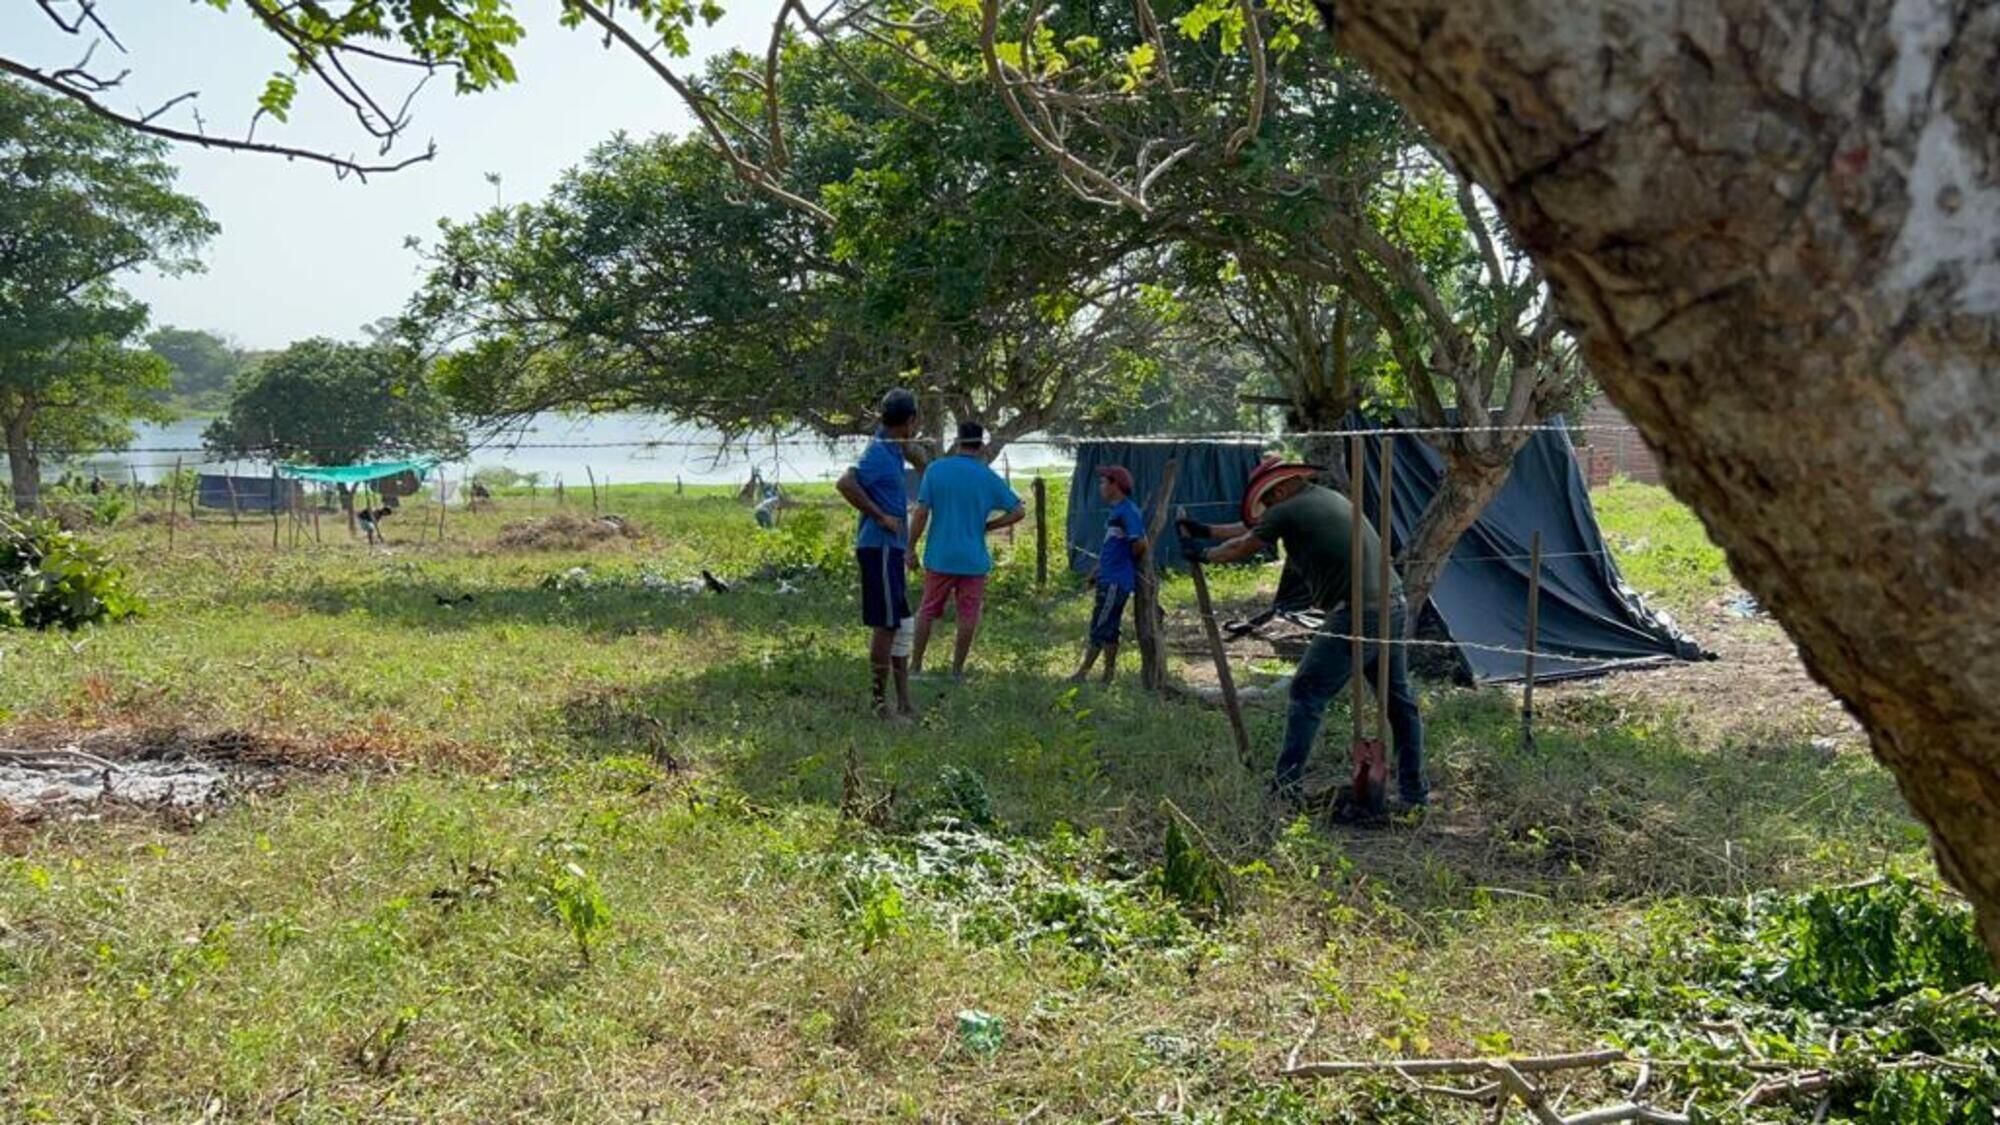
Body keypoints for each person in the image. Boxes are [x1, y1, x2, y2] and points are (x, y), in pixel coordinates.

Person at [1179, 459, 1426, 814]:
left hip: (1357, 613)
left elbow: (1245, 544)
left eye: (1267, 499)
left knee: (1307, 691)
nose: (1266, 507)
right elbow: (1252, 527)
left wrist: (1203, 554)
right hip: (1393, 603)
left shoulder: (1288, 510)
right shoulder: (1322, 498)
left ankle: (1286, 786)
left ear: (1278, 490)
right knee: (1399, 701)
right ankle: (1414, 795)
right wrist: (1205, 530)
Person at [907, 421, 1026, 678]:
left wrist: (910, 547)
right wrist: (989, 525)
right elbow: (1019, 510)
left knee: (927, 611)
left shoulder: (936, 471)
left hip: (940, 556)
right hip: (973, 560)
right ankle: (957, 671)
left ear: (957, 442)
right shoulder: (987, 476)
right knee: (968, 615)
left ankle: (915, 666)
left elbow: (921, 513)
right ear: (982, 446)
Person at [836, 388, 921, 720]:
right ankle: (879, 703)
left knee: (901, 623)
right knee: (886, 626)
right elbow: (845, 483)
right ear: (910, 419)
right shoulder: (877, 452)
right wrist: (879, 515)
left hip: (892, 549)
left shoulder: (893, 448)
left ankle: (903, 700)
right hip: (879, 547)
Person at [1070, 465, 1147, 684]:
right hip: (1108, 577)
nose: (1100, 487)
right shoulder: (1117, 512)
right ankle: (1108, 676)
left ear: (1115, 485)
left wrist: (1124, 562)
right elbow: (1111, 548)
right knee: (1110, 628)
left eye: (1104, 482)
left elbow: (1140, 542)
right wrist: (1096, 572)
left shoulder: (1127, 511)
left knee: (1099, 626)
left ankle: (1082, 673)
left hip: (1115, 580)